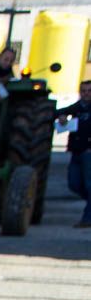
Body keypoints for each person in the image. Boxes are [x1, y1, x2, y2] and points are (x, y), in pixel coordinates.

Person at [57, 79, 91, 228]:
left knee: (90, 185)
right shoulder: (77, 107)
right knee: (74, 183)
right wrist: (62, 116)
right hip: (76, 151)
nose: (86, 94)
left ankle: (87, 218)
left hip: (89, 152)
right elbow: (58, 112)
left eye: (89, 91)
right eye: (83, 91)